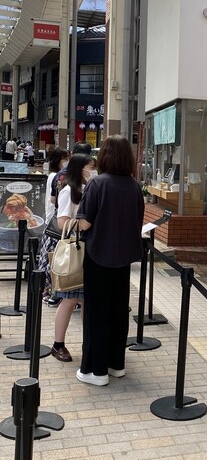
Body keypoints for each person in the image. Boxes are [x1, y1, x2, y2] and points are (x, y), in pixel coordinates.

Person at [76, 135, 144, 386]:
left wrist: (73, 222)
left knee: (96, 313)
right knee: (118, 311)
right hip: (124, 258)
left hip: (98, 256)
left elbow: (85, 223)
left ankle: (96, 371)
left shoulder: (97, 184)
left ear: (105, 155)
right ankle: (116, 364)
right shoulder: (134, 186)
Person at [50, 153, 94, 363]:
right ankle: (58, 344)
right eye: (90, 167)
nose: (92, 171)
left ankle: (88, 343)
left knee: (86, 300)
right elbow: (62, 223)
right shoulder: (69, 190)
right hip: (75, 250)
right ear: (80, 169)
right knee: (69, 299)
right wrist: (84, 223)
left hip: (87, 249)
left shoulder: (87, 188)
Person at [37, 147, 70, 303]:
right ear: (58, 160)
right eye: (65, 158)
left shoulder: (56, 175)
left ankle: (49, 291)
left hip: (53, 221)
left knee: (51, 257)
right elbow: (53, 200)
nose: (67, 161)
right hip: (54, 223)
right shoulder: (55, 176)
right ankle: (50, 291)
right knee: (53, 258)